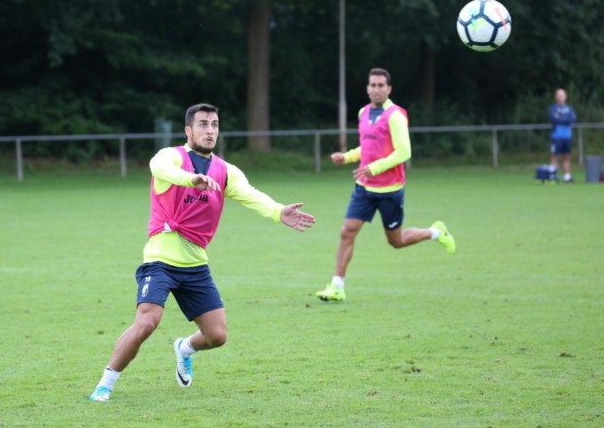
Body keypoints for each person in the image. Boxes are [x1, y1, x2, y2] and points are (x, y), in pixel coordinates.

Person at [90, 103, 316, 401]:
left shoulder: (226, 171)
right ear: (189, 130)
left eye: (214, 124)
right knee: (147, 322)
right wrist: (190, 178)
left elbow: (251, 195)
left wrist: (277, 211)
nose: (210, 130)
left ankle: (184, 348)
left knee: (217, 336)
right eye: (203, 124)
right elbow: (158, 168)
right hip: (160, 260)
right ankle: (105, 384)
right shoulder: (172, 157)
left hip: (196, 265)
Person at [315, 67, 455, 302]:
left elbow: (404, 151)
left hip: (390, 190)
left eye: (381, 85)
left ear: (389, 89)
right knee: (346, 232)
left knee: (396, 241)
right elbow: (368, 149)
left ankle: (436, 232)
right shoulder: (363, 113)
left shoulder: (395, 115)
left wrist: (375, 167)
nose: (376, 89)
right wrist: (347, 157)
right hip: (364, 188)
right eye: (373, 85)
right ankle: (337, 286)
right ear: (367, 88)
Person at [549, 88, 577, 183]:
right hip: (557, 136)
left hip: (567, 136)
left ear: (565, 96)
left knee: (567, 156)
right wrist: (565, 119)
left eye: (563, 95)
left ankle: (567, 176)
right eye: (559, 95)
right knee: (555, 156)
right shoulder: (553, 108)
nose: (561, 97)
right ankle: (553, 176)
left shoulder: (569, 108)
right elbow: (554, 119)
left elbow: (572, 119)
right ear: (556, 97)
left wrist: (561, 118)